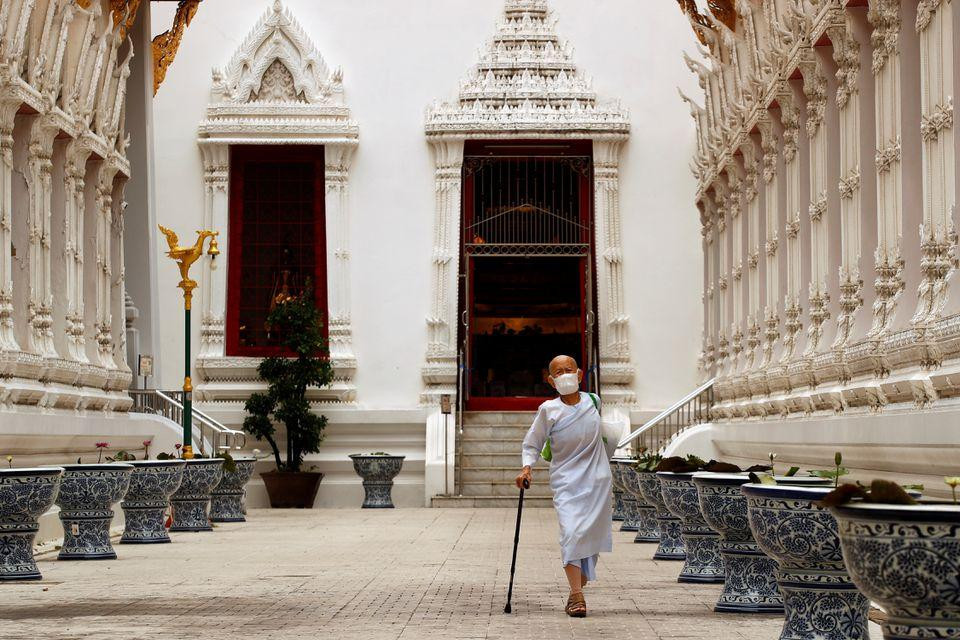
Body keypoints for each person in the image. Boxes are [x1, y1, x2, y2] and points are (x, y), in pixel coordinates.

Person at [515, 354, 613, 618]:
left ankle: (577, 585)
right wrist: (527, 468)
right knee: (571, 533)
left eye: (569, 370)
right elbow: (533, 442)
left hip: (597, 481)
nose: (565, 375)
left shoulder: (593, 401)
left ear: (579, 374)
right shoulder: (549, 410)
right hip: (567, 482)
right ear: (551, 380)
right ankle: (576, 595)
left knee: (590, 538)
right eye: (558, 372)